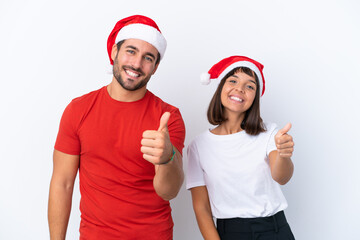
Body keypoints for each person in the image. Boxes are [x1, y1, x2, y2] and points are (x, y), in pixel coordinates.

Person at [48, 15, 185, 240]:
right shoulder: (78, 110)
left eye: (147, 57)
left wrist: (166, 157)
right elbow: (62, 183)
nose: (137, 64)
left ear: (155, 67)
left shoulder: (168, 117)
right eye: (131, 51)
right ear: (114, 52)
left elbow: (168, 191)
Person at [186, 56, 295, 240]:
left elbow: (281, 177)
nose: (240, 89)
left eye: (250, 86)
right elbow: (201, 208)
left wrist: (284, 155)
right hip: (231, 233)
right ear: (221, 87)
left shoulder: (269, 133)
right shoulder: (198, 146)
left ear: (255, 98)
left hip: (275, 231)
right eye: (233, 81)